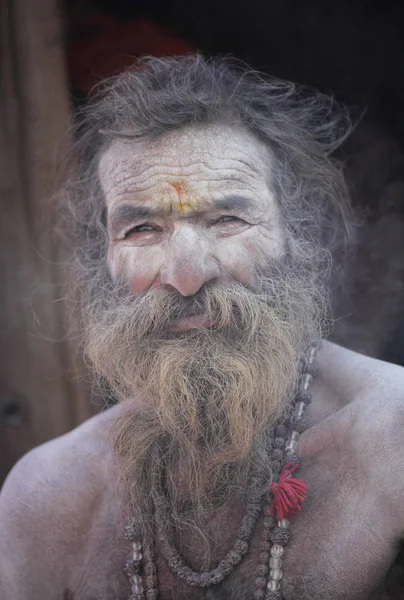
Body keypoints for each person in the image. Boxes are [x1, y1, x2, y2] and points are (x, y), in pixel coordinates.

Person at [1, 55, 404, 600]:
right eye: (143, 228)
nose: (188, 275)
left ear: (295, 233)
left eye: (228, 220)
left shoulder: (391, 440)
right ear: (105, 261)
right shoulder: (47, 496)